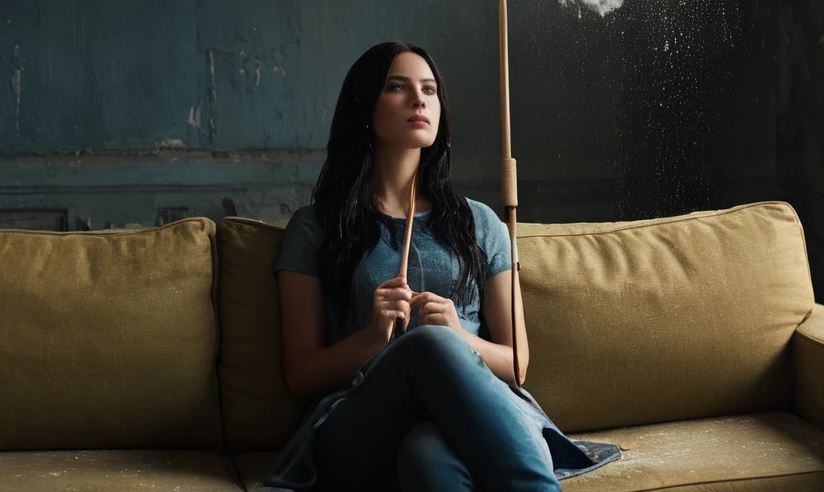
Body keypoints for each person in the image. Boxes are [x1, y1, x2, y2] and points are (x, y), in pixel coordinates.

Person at [264, 42, 619, 491]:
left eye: (429, 90)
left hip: (461, 424)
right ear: (364, 105)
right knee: (425, 345)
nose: (419, 100)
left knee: (428, 455)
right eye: (398, 87)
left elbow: (516, 364)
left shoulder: (481, 224)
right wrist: (373, 339)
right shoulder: (315, 228)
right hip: (360, 427)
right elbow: (301, 376)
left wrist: (457, 336)